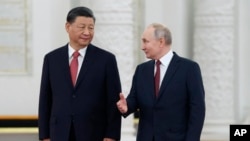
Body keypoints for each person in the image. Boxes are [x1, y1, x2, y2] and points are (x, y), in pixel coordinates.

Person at [38, 6, 122, 141]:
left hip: (94, 133)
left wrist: (111, 135)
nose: (87, 32)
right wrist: (44, 135)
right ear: (67, 27)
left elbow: (113, 100)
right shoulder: (51, 59)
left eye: (91, 28)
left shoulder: (106, 60)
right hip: (59, 133)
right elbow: (45, 99)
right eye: (81, 27)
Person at [117, 23, 205, 141]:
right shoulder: (141, 70)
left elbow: (197, 109)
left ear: (161, 42)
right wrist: (126, 106)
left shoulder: (189, 69)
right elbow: (135, 99)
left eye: (146, 41)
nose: (142, 47)